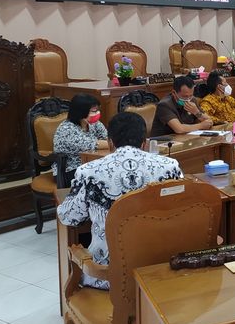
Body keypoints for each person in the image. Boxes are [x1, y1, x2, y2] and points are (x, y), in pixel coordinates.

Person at [58, 112, 183, 289]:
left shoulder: (87, 171)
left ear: (110, 143)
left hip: (109, 275)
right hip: (158, 269)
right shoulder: (170, 166)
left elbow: (69, 217)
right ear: (144, 143)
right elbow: (179, 210)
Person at [52, 93, 109, 187]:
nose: (96, 114)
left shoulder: (93, 123)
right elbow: (98, 144)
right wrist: (114, 142)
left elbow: (108, 138)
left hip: (90, 164)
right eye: (93, 111)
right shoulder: (67, 129)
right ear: (80, 112)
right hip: (69, 170)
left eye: (97, 110)